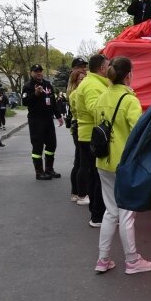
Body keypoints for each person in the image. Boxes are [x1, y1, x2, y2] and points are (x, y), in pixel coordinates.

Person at [93, 56, 151, 275]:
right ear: (129, 75)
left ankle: (103, 259)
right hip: (124, 165)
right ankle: (132, 260)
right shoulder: (129, 100)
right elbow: (138, 133)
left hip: (103, 162)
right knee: (127, 213)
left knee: (110, 211)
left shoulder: (101, 97)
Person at [76, 55, 111, 227]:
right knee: (97, 177)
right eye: (108, 65)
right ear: (102, 68)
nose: (110, 68)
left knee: (95, 176)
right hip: (92, 135)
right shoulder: (92, 85)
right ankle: (97, 215)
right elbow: (94, 108)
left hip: (89, 134)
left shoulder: (94, 83)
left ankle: (97, 213)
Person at [22, 64, 63, 178]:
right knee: (37, 146)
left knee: (51, 144)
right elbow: (25, 102)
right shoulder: (28, 86)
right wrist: (35, 94)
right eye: (36, 71)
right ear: (31, 73)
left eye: (40, 71)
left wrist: (58, 116)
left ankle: (49, 169)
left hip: (48, 119)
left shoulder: (47, 84)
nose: (39, 73)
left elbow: (53, 101)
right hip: (36, 120)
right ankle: (39, 172)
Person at [67, 69, 86, 202]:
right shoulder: (76, 94)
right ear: (75, 81)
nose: (84, 81)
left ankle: (75, 192)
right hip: (79, 126)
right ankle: (81, 193)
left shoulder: (75, 93)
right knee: (82, 162)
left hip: (77, 126)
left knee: (79, 161)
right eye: (81, 79)